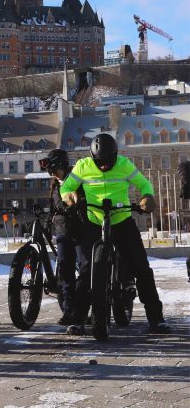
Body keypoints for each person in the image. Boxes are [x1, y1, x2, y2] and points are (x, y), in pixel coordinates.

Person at [60, 133, 171, 335]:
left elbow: (144, 184)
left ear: (116, 155)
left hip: (121, 220)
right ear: (93, 158)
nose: (103, 166)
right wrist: (68, 195)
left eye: (108, 162)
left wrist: (147, 197)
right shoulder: (83, 166)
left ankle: (156, 319)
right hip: (94, 220)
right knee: (86, 270)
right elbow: (66, 186)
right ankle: (77, 320)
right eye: (99, 162)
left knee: (142, 269)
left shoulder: (124, 164)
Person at [39, 149, 88, 334]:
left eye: (55, 170)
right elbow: (53, 209)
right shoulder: (54, 185)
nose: (53, 174)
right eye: (50, 172)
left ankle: (83, 309)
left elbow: (83, 203)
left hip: (79, 231)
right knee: (65, 272)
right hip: (62, 232)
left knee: (85, 269)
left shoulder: (76, 181)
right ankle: (69, 312)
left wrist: (76, 207)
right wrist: (47, 223)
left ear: (63, 166)